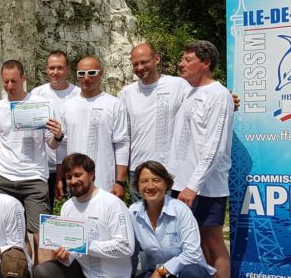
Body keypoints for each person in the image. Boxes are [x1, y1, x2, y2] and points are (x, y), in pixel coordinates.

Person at [168, 40, 236, 278]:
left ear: (205, 63)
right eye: (182, 59)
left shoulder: (219, 95)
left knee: (212, 241)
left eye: (187, 60)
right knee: (188, 243)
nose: (181, 64)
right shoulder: (188, 91)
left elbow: (215, 146)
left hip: (205, 186)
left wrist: (193, 185)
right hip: (180, 183)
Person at [34, 153, 135, 278]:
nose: (73, 181)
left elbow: (126, 247)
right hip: (83, 270)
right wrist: (64, 255)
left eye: (78, 175)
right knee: (42, 272)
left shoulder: (112, 203)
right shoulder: (67, 207)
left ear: (92, 174)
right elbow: (71, 251)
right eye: (69, 177)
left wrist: (85, 245)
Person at [121, 161, 215, 278]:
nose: (150, 186)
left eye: (156, 180)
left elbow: (193, 253)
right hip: (160, 277)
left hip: (191, 275)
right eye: (144, 181)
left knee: (193, 273)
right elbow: (130, 251)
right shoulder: (133, 212)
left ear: (166, 184)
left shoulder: (181, 210)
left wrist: (162, 270)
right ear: (137, 186)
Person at [0, 60, 64, 278]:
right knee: (16, 235)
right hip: (5, 178)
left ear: (24, 78)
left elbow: (51, 143)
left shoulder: (41, 105)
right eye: (6, 82)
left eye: (14, 81)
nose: (10, 86)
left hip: (34, 177)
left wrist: (58, 135)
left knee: (41, 234)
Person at [118, 43, 190, 203]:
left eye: (144, 62)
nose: (139, 67)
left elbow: (202, 102)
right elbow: (123, 137)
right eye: (135, 64)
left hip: (170, 170)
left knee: (171, 216)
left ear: (157, 59)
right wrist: (121, 178)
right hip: (138, 171)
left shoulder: (178, 85)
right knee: (140, 217)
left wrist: (226, 97)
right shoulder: (126, 93)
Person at [57, 56, 130, 200]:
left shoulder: (114, 104)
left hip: (105, 184)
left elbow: (122, 143)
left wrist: (120, 181)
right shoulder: (66, 106)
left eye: (92, 73)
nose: (86, 78)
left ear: (101, 73)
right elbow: (61, 145)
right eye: (81, 74)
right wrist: (60, 178)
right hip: (75, 184)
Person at [29, 50, 79, 213]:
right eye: (51, 68)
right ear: (46, 69)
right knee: (44, 214)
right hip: (45, 165)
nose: (55, 72)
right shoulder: (36, 94)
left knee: (74, 212)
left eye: (60, 68)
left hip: (71, 164)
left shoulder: (78, 94)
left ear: (68, 69)